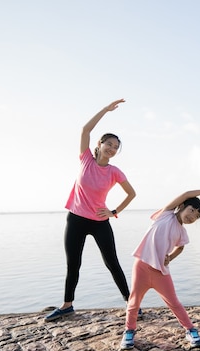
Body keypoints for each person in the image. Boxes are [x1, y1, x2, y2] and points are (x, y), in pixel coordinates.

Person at [45, 99, 136, 322]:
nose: (112, 149)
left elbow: (131, 194)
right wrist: (106, 110)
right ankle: (67, 305)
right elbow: (85, 129)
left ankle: (131, 304)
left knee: (112, 262)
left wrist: (113, 212)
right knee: (73, 263)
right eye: (110, 144)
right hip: (76, 219)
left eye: (116, 147)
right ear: (100, 144)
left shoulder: (114, 171)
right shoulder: (86, 159)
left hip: (99, 221)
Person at [120, 189, 200, 349]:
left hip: (161, 272)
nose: (192, 216)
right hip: (142, 266)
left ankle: (190, 330)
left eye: (196, 216)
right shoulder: (165, 214)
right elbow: (186, 194)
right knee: (134, 302)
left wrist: (170, 258)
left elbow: (180, 248)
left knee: (174, 303)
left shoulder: (182, 232)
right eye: (191, 210)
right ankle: (129, 331)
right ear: (181, 206)